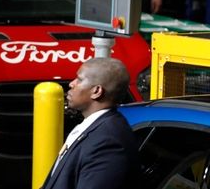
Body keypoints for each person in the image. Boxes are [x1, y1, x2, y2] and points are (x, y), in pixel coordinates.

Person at [40, 58, 139, 189]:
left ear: (96, 91)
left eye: (79, 80)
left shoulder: (108, 142)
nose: (71, 84)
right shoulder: (96, 128)